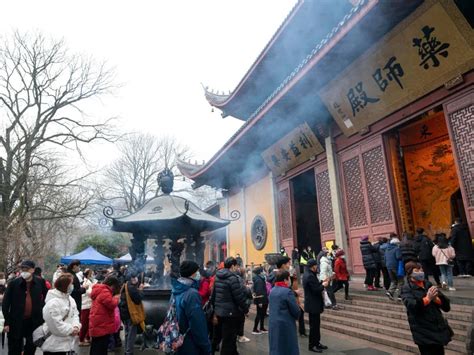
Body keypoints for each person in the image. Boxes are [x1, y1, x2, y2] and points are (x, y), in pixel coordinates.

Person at [401, 261, 452, 355]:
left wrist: (436, 299)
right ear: (410, 273)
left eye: (421, 270)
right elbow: (412, 306)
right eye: (417, 270)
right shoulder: (406, 288)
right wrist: (427, 299)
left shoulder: (427, 284)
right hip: (423, 331)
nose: (420, 272)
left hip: (437, 327)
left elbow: (446, 305)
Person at [2, 260, 48, 355]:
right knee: (14, 348)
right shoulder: (13, 283)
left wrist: (41, 308)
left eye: (26, 269)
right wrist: (7, 322)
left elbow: (47, 297)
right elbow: (6, 303)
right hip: (16, 320)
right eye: (22, 269)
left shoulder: (40, 282)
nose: (24, 271)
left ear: (33, 270)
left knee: (31, 347)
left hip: (34, 321)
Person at [170, 261, 211, 355]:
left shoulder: (175, 289)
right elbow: (197, 324)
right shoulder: (192, 294)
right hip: (190, 344)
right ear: (192, 273)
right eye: (197, 271)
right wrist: (206, 347)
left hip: (178, 340)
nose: (199, 274)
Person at [213, 257, 249, 355]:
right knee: (229, 339)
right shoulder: (233, 278)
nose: (237, 268)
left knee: (222, 336)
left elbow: (214, 295)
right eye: (236, 266)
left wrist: (215, 311)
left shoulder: (217, 276)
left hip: (220, 312)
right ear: (233, 266)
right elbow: (238, 297)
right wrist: (245, 309)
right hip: (231, 313)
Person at [40, 273, 81, 355]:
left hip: (67, 344)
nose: (72, 286)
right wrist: (71, 330)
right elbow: (55, 325)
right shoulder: (52, 303)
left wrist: (76, 326)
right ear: (65, 285)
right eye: (71, 284)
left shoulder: (70, 299)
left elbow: (75, 314)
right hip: (53, 345)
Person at [268, 270, 300, 355]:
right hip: (286, 324)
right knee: (288, 346)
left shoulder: (272, 290)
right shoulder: (287, 292)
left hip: (273, 323)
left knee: (276, 346)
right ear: (285, 280)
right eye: (289, 278)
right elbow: (295, 310)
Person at [89, 275, 121, 355]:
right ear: (112, 285)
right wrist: (117, 298)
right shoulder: (105, 291)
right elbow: (112, 304)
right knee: (101, 347)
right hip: (102, 323)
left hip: (98, 321)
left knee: (96, 345)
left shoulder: (100, 289)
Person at [303, 259, 329, 353]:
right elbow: (315, 290)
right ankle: (312, 345)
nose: (317, 267)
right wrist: (324, 285)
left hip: (314, 304)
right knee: (313, 327)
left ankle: (317, 343)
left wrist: (322, 281)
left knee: (316, 325)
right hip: (313, 305)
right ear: (312, 266)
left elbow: (315, 285)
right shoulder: (309, 276)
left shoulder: (309, 274)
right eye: (316, 265)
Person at [119, 271, 145, 355]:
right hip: (130, 313)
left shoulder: (125, 285)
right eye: (135, 277)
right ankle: (129, 352)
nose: (137, 279)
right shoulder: (132, 288)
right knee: (131, 334)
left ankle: (127, 350)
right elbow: (137, 299)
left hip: (124, 313)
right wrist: (141, 290)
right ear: (132, 279)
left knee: (127, 332)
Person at [384, 236, 403, 301]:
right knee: (400, 281)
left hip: (388, 267)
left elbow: (385, 258)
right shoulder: (397, 249)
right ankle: (400, 295)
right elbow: (398, 257)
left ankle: (390, 292)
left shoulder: (387, 249)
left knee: (393, 280)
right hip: (396, 266)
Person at [79, 269, 94, 346]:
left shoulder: (88, 281)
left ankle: (87, 338)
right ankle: (81, 339)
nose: (93, 275)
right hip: (85, 305)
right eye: (92, 273)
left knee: (88, 323)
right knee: (84, 324)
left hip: (88, 305)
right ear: (88, 274)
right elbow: (90, 293)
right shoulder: (86, 282)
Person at [251, 267, 268, 335]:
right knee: (259, 314)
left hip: (263, 298)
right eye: (263, 271)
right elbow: (259, 290)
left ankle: (262, 328)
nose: (264, 272)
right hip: (261, 299)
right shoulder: (259, 280)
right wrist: (260, 301)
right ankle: (255, 329)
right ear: (260, 272)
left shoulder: (260, 278)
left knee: (262, 314)